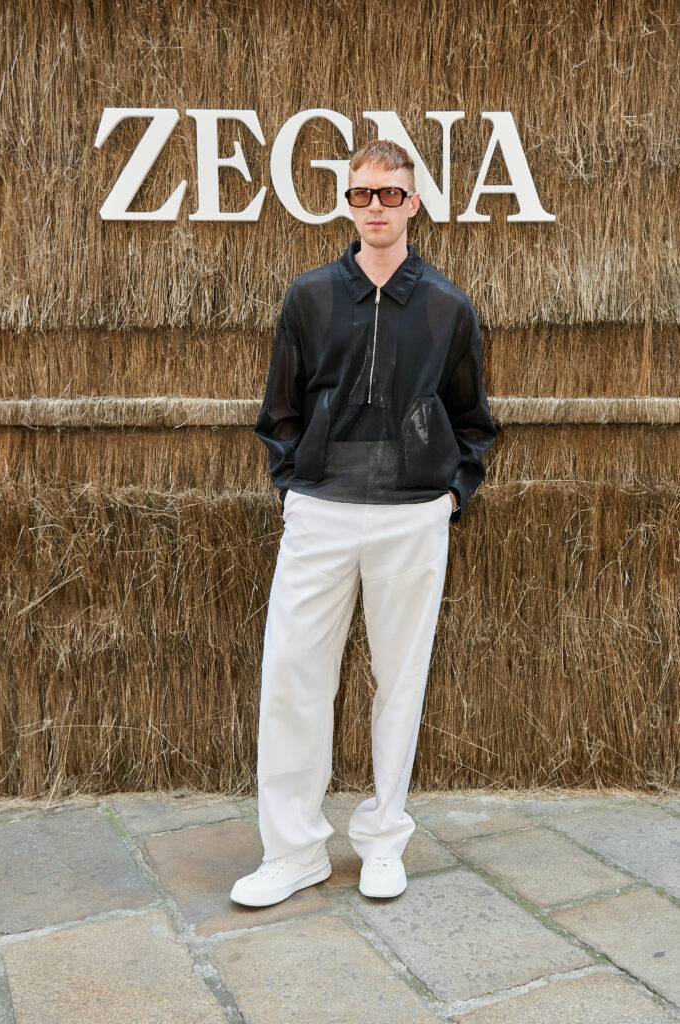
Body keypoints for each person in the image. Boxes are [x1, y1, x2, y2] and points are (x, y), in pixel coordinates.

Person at [230, 139, 496, 907]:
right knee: (292, 677)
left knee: (400, 682)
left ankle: (383, 842)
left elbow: (472, 419)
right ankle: (293, 852)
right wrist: (294, 488)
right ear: (346, 202)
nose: (374, 207)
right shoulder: (310, 296)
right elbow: (279, 410)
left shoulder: (446, 306)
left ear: (413, 203)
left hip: (412, 516)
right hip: (320, 510)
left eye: (389, 194)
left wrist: (450, 494)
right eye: (360, 194)